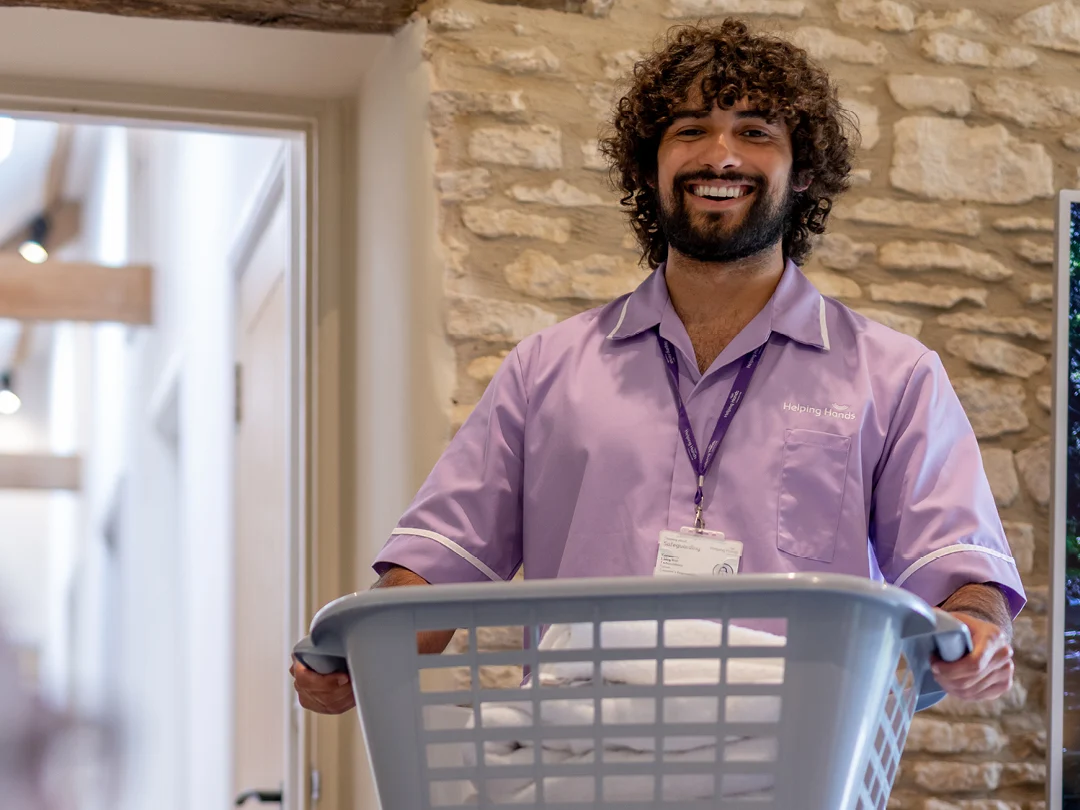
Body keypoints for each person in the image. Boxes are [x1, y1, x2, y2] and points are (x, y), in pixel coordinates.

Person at [292, 18, 1024, 715]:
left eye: (755, 133)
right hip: (576, 768)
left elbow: (962, 580)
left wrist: (979, 635)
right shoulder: (546, 370)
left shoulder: (895, 378)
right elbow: (437, 562)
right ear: (650, 165)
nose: (722, 156)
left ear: (802, 172)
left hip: (799, 767)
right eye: (690, 130)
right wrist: (358, 657)